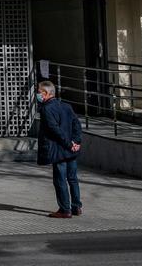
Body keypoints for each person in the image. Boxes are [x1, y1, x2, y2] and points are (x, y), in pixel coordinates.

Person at [36, 80, 82, 219]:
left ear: (46, 93)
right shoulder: (66, 106)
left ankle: (65, 209)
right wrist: (76, 142)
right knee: (72, 178)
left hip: (59, 150)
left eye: (39, 92)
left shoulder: (46, 109)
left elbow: (54, 129)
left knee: (60, 179)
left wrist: (69, 144)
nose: (37, 95)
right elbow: (77, 124)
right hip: (70, 150)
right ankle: (76, 206)